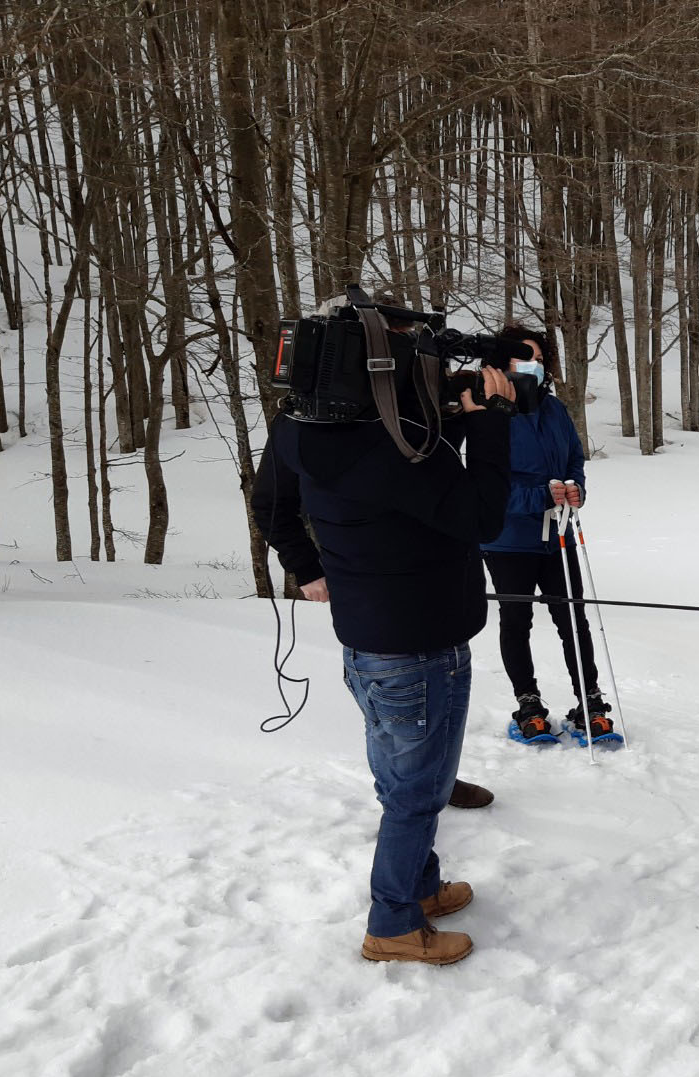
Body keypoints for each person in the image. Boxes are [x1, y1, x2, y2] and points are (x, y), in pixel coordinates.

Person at [251, 315, 514, 966]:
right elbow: (481, 515)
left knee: (402, 777)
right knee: (416, 794)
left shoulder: (298, 428)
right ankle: (392, 924)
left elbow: (270, 505)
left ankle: (419, 889)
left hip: (368, 640)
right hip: (423, 645)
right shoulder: (396, 449)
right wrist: (489, 421)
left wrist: (305, 568)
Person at [479, 325, 614, 744]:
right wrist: (537, 496)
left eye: (538, 358)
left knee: (573, 617)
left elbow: (574, 458)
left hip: (558, 533)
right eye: (524, 357)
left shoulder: (553, 409)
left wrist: (576, 490)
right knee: (516, 621)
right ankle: (529, 702)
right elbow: (484, 485)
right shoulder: (489, 411)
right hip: (508, 538)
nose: (533, 365)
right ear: (502, 363)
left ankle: (589, 700)